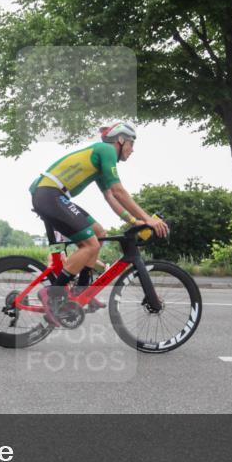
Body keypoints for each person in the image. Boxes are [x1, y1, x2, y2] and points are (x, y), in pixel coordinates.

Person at [29, 121, 169, 325]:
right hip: (49, 194)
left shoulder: (101, 159)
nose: (132, 150)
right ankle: (52, 294)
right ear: (120, 140)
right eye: (131, 144)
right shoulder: (106, 150)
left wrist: (133, 221)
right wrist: (147, 219)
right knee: (91, 244)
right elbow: (120, 191)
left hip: (54, 195)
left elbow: (111, 196)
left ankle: (81, 291)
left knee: (99, 233)